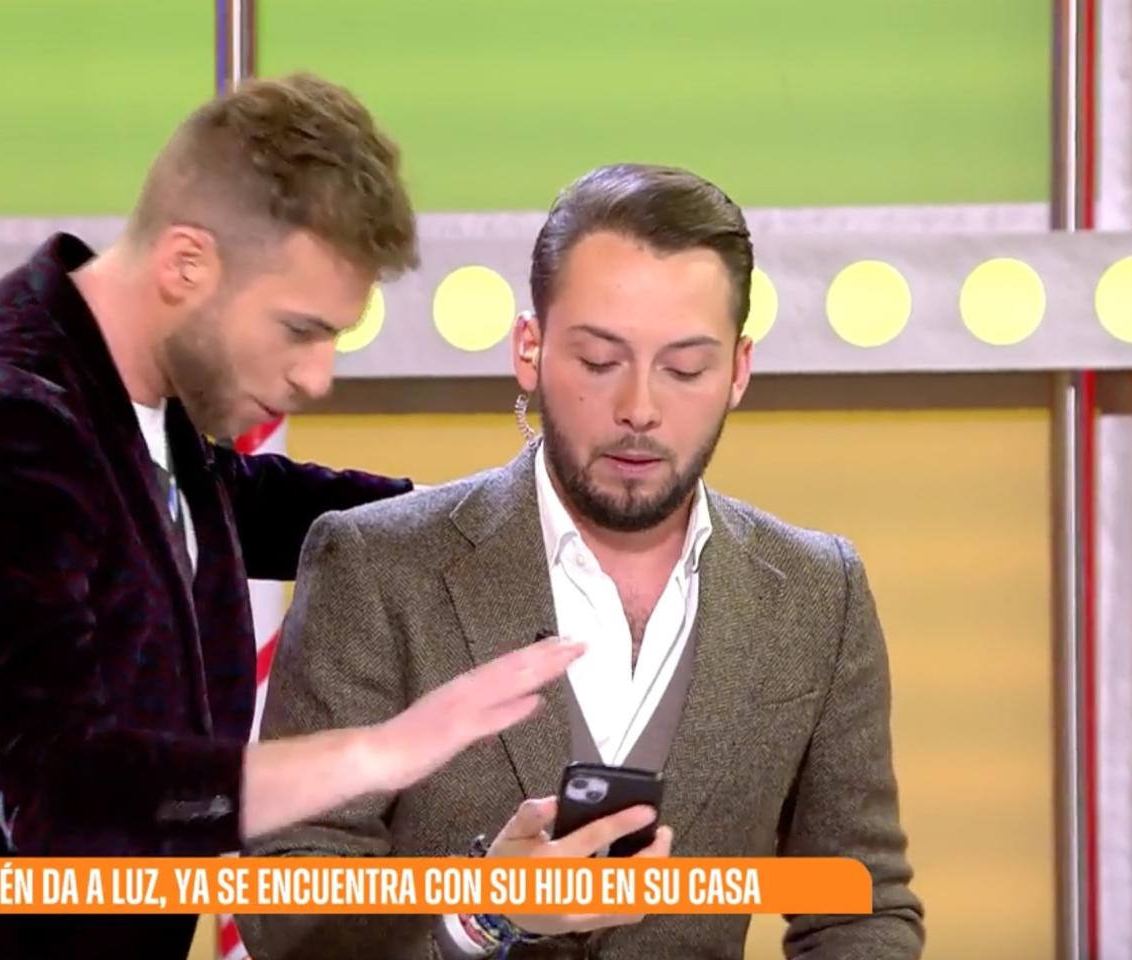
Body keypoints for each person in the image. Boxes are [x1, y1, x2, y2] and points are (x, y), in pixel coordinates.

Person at [0, 73, 585, 960]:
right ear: (188, 263)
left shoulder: (115, 376)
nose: (317, 378)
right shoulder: (3, 432)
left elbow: (227, 500)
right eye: (300, 330)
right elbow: (64, 801)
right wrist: (379, 753)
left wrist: (499, 517)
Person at [237, 163, 925, 959]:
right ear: (529, 349)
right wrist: (479, 918)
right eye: (600, 362)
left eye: (685, 368)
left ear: (738, 370)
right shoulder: (376, 566)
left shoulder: (817, 593)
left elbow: (860, 906)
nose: (639, 408)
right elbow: (288, 911)